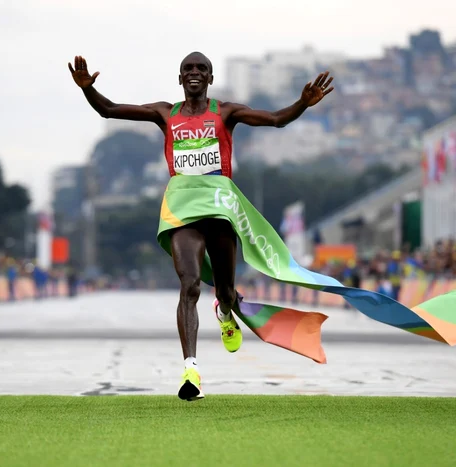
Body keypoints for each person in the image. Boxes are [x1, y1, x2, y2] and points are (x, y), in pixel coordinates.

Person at [69, 52, 333, 401]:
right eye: (188, 70)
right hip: (181, 207)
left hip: (220, 207)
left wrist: (302, 103)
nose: (194, 73)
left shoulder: (225, 112)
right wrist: (89, 89)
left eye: (201, 69)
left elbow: (274, 119)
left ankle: (225, 309)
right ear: (180, 79)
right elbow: (110, 109)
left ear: (209, 79)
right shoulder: (166, 113)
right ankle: (190, 370)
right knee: (189, 284)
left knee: (225, 289)